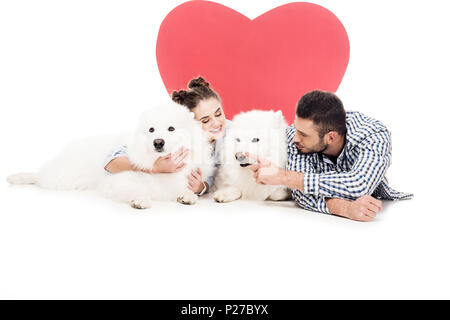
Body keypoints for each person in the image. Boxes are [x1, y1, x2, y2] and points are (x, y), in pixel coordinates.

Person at [247, 90, 413, 222]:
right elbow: (301, 194)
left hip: (388, 206)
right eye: (296, 129)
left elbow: (359, 184)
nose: (295, 138)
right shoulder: (294, 137)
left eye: (303, 134)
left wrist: (283, 176)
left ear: (331, 137)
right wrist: (346, 208)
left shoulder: (373, 134)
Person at [104, 76, 229, 195]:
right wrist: (154, 168)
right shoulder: (177, 140)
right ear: (190, 124)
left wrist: (202, 187)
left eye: (218, 114)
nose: (216, 123)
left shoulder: (233, 133)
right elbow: (110, 161)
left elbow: (215, 176)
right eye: (205, 121)